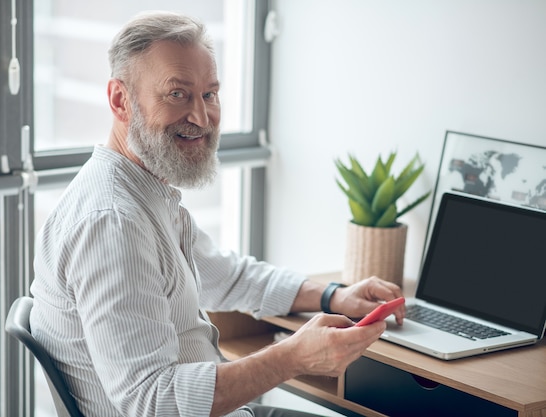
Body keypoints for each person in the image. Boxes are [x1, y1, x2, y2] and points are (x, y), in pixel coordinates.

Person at [29, 10, 405, 417]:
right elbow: (153, 402)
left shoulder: (143, 192)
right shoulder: (114, 222)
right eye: (178, 94)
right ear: (121, 100)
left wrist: (334, 295)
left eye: (209, 94)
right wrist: (291, 357)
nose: (202, 118)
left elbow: (225, 275)